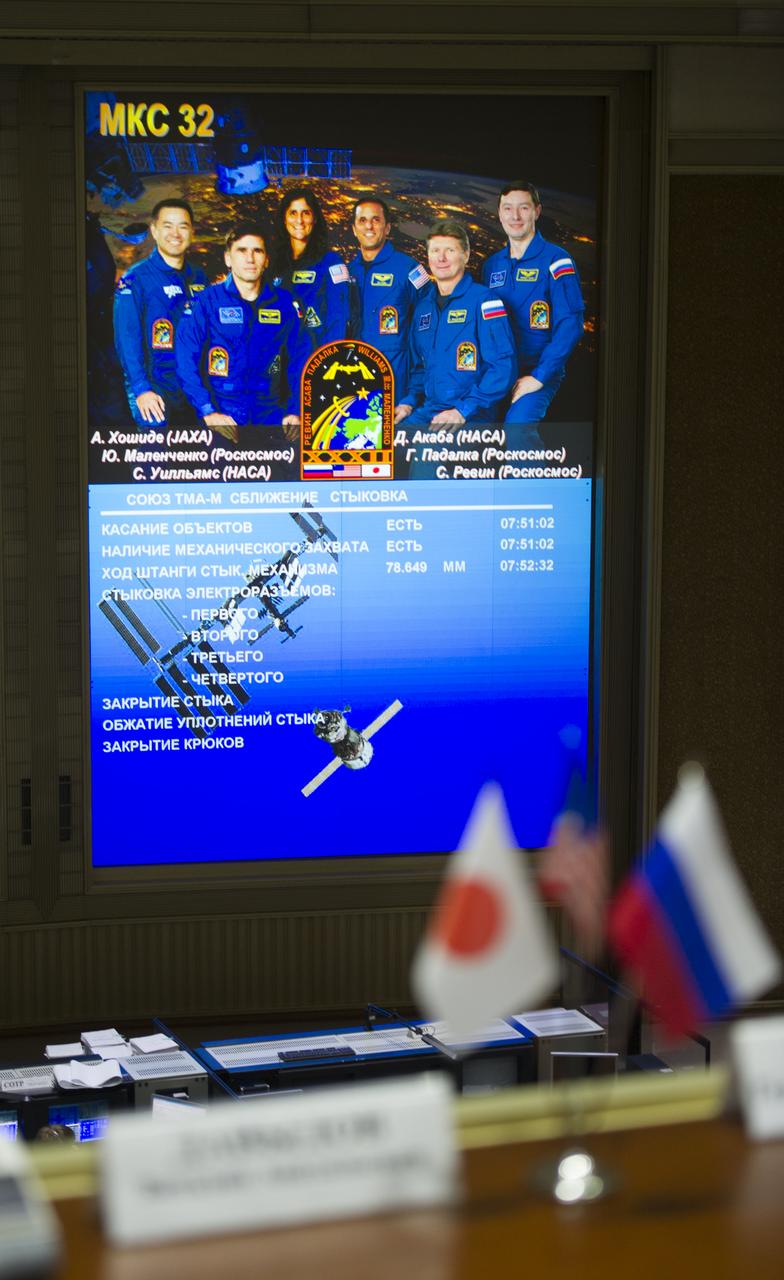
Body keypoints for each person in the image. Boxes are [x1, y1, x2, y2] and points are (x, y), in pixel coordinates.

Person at [395, 220, 516, 475]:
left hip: (473, 415)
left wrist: (462, 410)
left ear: (466, 254)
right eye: (435, 251)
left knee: (425, 457)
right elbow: (419, 369)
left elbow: (502, 367)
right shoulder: (424, 308)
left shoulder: (485, 302)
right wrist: (407, 403)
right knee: (374, 444)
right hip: (430, 410)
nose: (441, 258)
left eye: (449, 250)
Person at [176, 221, 311, 447]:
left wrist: (296, 410)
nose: (250, 258)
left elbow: (300, 359)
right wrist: (208, 411)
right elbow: (184, 360)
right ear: (228, 258)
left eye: (257, 251)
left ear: (266, 260)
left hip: (272, 414)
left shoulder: (285, 304)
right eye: (241, 250)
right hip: (223, 413)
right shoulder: (206, 302)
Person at [481, 182, 584, 439]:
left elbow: (571, 325)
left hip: (538, 368)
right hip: (498, 370)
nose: (515, 217)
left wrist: (539, 377)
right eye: (508, 208)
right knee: (470, 427)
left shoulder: (556, 260)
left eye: (523, 208)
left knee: (517, 429)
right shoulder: (492, 265)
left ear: (537, 211)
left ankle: (531, 480)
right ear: (500, 213)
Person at [113, 198, 208, 427]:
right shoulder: (136, 279)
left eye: (183, 226)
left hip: (190, 388)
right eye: (167, 226)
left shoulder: (199, 277)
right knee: (156, 458)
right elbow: (126, 339)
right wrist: (141, 388)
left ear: (191, 232)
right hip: (153, 389)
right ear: (154, 231)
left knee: (195, 458)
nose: (175, 233)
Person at [348, 195, 431, 394]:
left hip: (396, 371)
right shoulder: (348, 272)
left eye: (376, 220)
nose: (369, 226)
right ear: (354, 229)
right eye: (362, 220)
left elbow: (429, 316)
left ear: (387, 228)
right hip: (355, 370)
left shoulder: (409, 268)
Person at [272, 186, 350, 350]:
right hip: (277, 361)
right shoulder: (272, 263)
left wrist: (326, 363)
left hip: (312, 361)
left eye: (306, 213)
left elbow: (338, 320)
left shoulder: (331, 263)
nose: (299, 220)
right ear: (284, 219)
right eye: (293, 213)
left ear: (315, 218)